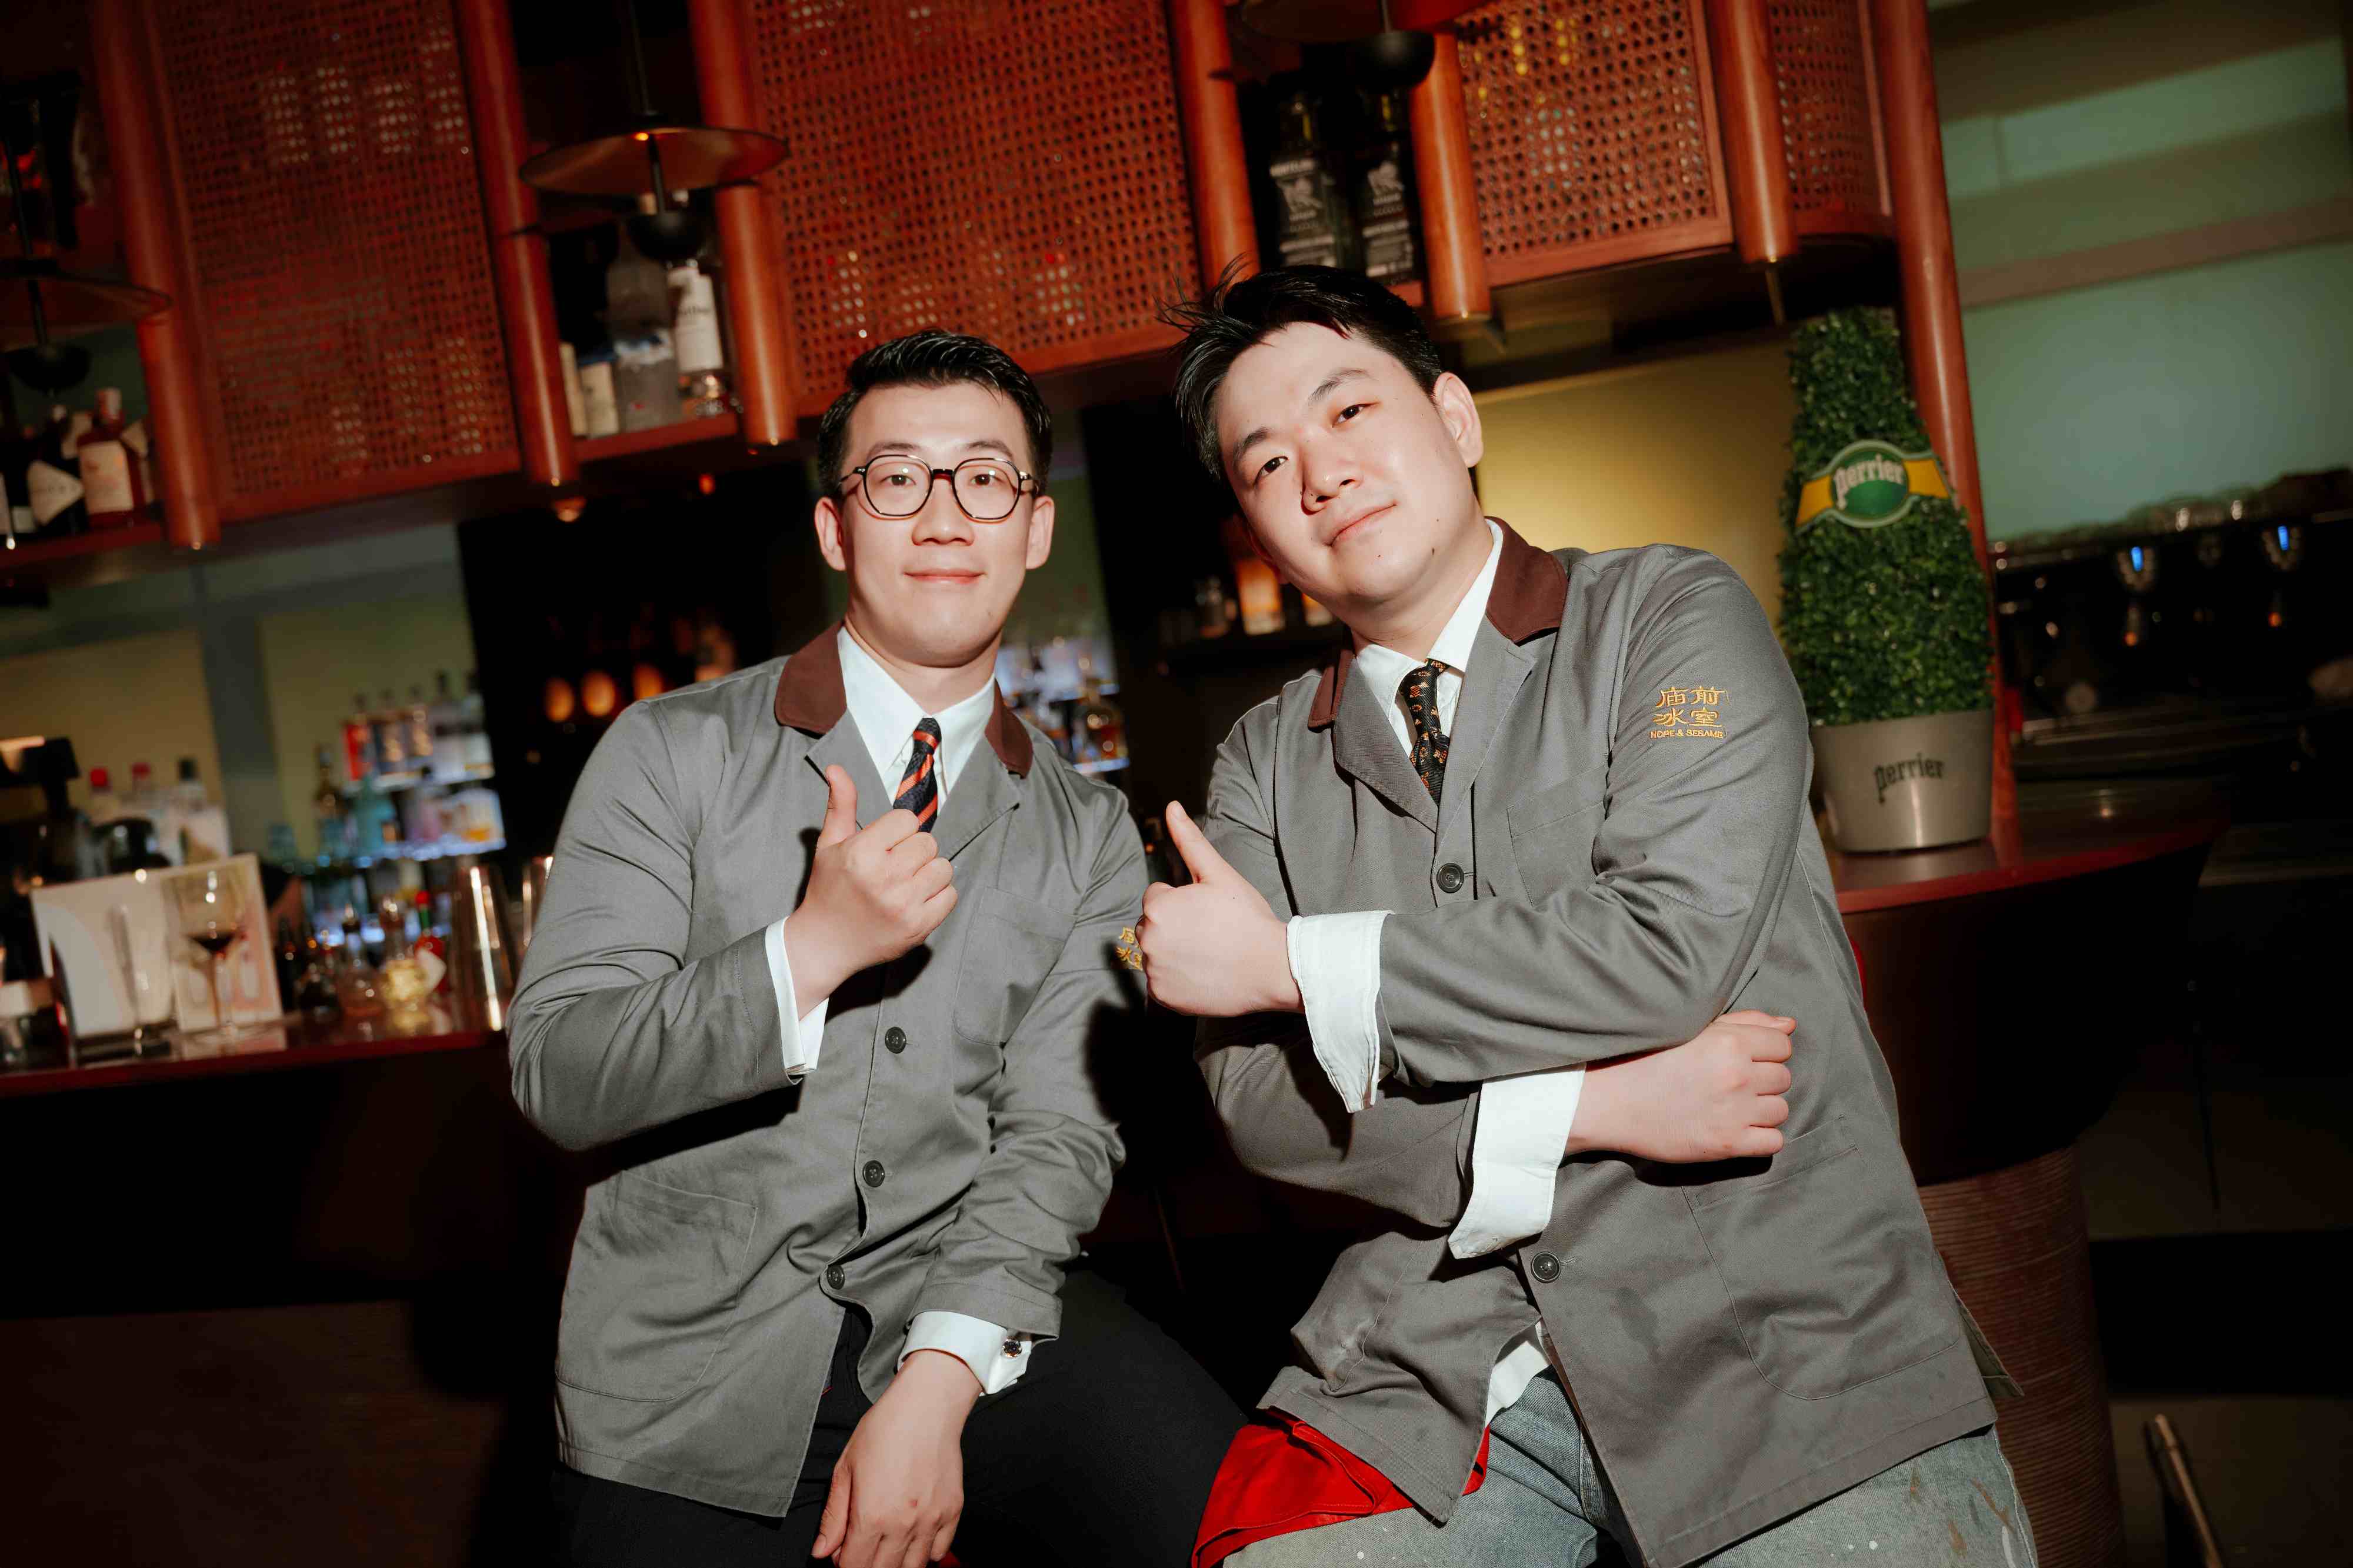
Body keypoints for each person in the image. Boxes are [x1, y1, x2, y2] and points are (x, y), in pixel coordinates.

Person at [1136, 266, 2029, 1568]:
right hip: (1443, 1366)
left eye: (1349, 410)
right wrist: (1584, 1109)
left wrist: (1290, 963)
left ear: (1454, 418)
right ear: (1257, 531)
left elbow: (1662, 952)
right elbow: (1263, 1104)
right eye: (1266, 462)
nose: (1320, 473)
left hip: (1783, 1333)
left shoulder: (1671, 617)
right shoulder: (1263, 764)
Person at [512, 329, 1241, 1568]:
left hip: (967, 1304)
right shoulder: (670, 750)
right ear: (835, 528)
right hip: (690, 1371)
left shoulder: (1084, 831)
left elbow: (1058, 1136)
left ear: (1035, 527)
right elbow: (560, 1074)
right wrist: (807, 950)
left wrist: (939, 1380)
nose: (944, 516)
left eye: (985, 479)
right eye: (897, 478)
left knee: (1246, 1527)